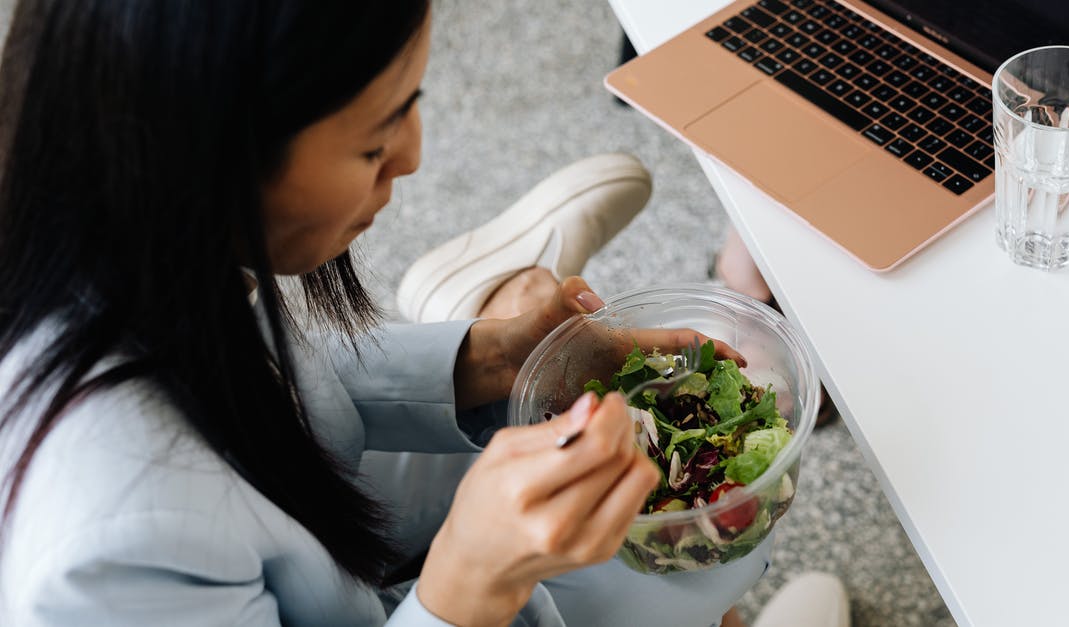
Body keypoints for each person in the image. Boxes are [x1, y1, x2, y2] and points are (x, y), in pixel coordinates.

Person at [0, 1, 844, 626]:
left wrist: (488, 358)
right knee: (661, 578)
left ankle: (470, 306)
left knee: (656, 542)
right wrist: (470, 579)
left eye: (413, 104)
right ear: (209, 162)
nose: (414, 156)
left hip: (327, 536)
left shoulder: (125, 238)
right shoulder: (110, 555)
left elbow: (290, 388)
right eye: (375, 140)